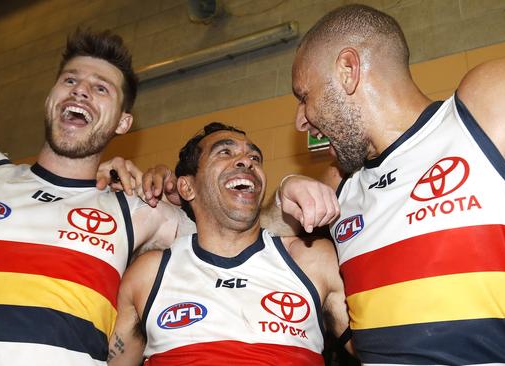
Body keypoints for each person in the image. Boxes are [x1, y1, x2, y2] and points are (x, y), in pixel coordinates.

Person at [280, 3, 505, 365]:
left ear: (348, 70)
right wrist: (286, 186)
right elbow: (238, 232)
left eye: (303, 96)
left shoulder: (483, 114)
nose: (300, 121)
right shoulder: (341, 188)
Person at [0, 29, 194, 366]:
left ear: (123, 123)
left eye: (100, 88)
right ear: (50, 97)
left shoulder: (138, 211)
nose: (80, 90)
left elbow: (248, 247)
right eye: (69, 81)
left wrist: (180, 193)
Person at [106, 122, 352, 365]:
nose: (247, 161)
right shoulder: (148, 274)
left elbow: (383, 348)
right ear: (187, 187)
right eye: (225, 152)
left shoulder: (312, 260)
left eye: (255, 157)